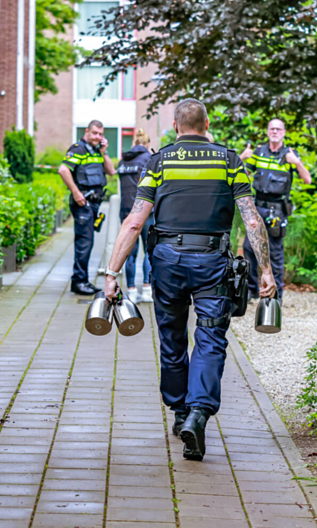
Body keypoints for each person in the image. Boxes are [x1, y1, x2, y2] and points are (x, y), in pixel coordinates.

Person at [104, 99, 276, 462]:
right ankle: (199, 414)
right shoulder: (230, 161)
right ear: (207, 122)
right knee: (211, 337)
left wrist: (112, 273)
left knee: (171, 335)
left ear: (175, 124)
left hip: (166, 262)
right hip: (213, 261)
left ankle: (181, 411)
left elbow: (135, 221)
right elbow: (252, 218)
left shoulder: (159, 161)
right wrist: (266, 270)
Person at [238, 118, 312, 302]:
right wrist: (242, 157)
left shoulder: (289, 154)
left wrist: (297, 163)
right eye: (272, 128)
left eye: (279, 129)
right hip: (258, 208)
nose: (275, 131)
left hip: (277, 211)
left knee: (275, 253)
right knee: (249, 248)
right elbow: (240, 174)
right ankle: (252, 290)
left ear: (284, 132)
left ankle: (276, 293)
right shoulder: (258, 152)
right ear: (267, 131)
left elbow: (308, 180)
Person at [58, 120, 115, 295]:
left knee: (88, 242)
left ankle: (82, 280)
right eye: (95, 133)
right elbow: (63, 170)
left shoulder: (98, 151)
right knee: (84, 243)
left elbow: (111, 171)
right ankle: (79, 282)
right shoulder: (78, 149)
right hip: (83, 202)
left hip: (94, 203)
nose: (98, 137)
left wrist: (104, 153)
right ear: (87, 132)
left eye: (100, 134)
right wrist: (75, 193)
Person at [117, 128, 155, 303]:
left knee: (128, 252)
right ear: (147, 144)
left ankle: (131, 290)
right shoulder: (149, 159)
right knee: (149, 250)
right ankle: (147, 289)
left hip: (126, 211)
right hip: (146, 212)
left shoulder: (123, 160)